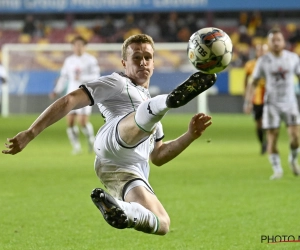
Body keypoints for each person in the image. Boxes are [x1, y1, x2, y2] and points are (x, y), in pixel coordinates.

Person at [3, 34, 217, 235]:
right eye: (136, 57)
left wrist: (190, 135)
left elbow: (158, 157)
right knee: (145, 116)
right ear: (124, 63)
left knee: (162, 223)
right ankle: (169, 100)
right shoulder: (115, 82)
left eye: (147, 57)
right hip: (112, 141)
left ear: (153, 63)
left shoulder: (149, 110)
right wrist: (30, 133)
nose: (143, 62)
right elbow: (69, 101)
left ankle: (123, 210)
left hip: (127, 169)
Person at [244, 28, 300, 180]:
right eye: (273, 40)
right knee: (272, 138)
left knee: (295, 137)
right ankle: (277, 170)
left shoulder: (293, 58)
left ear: (283, 42)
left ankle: (293, 160)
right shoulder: (263, 61)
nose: (276, 43)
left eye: (278, 40)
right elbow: (253, 82)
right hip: (271, 105)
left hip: (290, 103)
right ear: (268, 43)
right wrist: (248, 102)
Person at [50, 35, 100, 154]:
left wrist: (82, 77)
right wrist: (56, 90)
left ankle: (91, 141)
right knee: (71, 122)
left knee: (82, 122)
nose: (78, 48)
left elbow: (96, 76)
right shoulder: (69, 61)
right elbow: (64, 77)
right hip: (71, 94)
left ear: (85, 47)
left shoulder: (91, 60)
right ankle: (76, 147)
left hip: (85, 94)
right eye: (76, 45)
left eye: (80, 45)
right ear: (73, 47)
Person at [244, 43, 268, 154]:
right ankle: (262, 143)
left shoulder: (271, 63)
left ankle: (267, 142)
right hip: (257, 98)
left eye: (264, 50)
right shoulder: (250, 65)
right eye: (259, 50)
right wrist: (247, 100)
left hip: (269, 98)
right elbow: (247, 81)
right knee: (259, 123)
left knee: (265, 122)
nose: (261, 52)